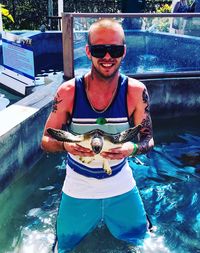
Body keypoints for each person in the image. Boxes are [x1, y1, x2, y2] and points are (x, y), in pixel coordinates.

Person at [41, 18, 154, 253]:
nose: (107, 56)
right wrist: (66, 146)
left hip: (121, 183)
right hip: (77, 186)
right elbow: (45, 141)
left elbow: (148, 140)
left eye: (114, 49)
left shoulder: (135, 91)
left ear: (124, 51)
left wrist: (129, 149)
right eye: (99, 49)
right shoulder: (68, 92)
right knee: (64, 247)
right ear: (88, 51)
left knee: (144, 242)